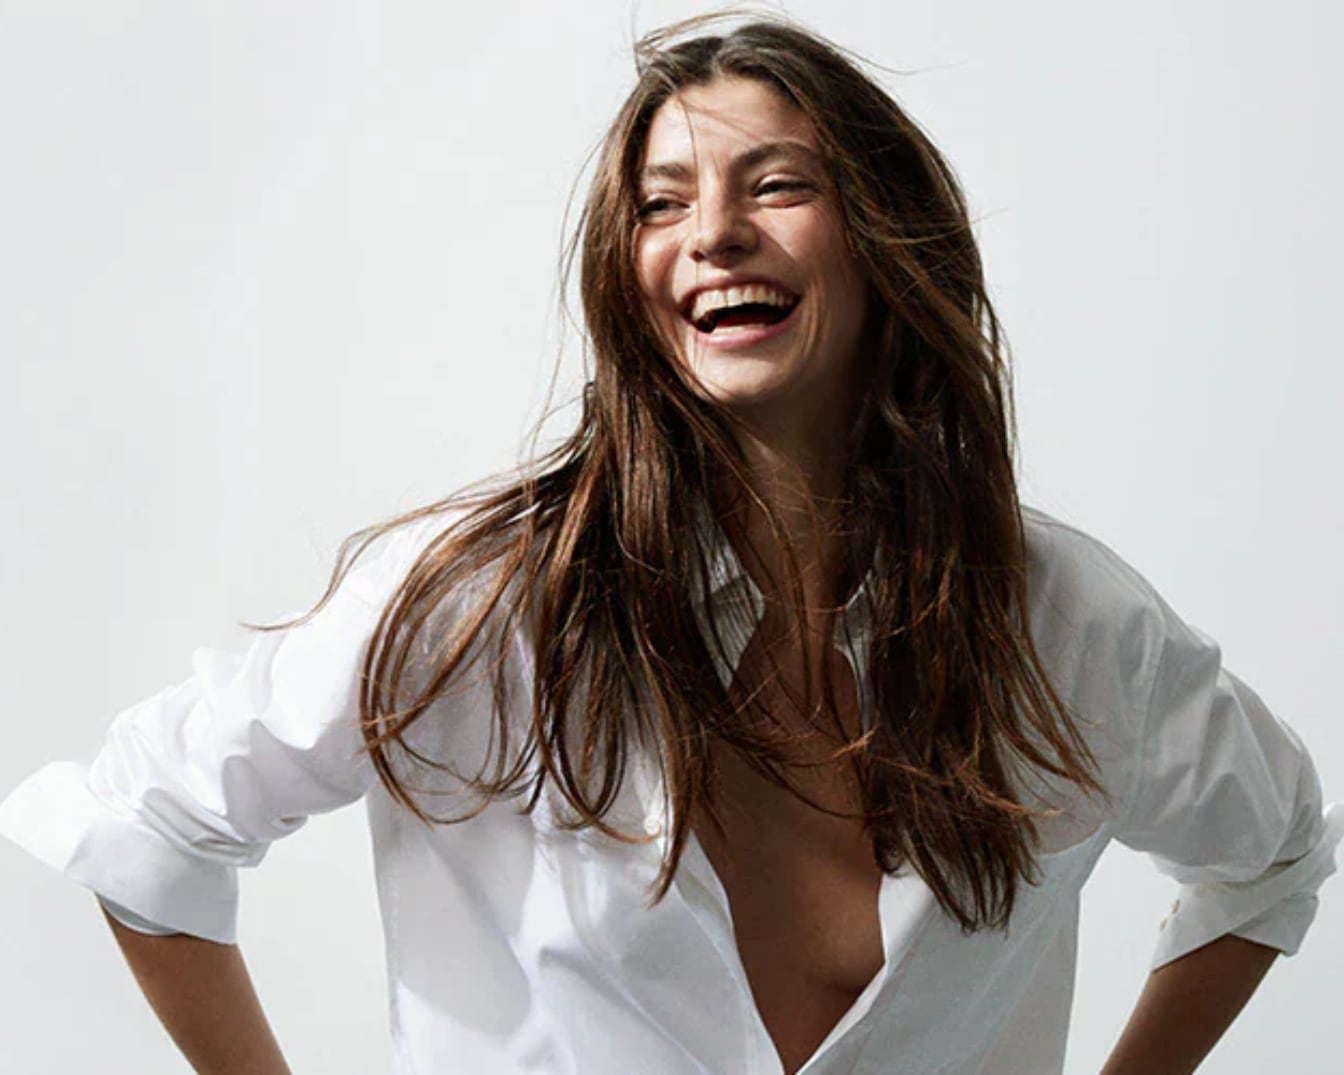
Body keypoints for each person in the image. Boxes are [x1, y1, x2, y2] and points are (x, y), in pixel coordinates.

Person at [1, 12, 1338, 1075]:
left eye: (779, 184)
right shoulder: (483, 605)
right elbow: (146, 830)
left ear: (886, 244)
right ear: (623, 275)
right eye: (660, 203)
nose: (714, 233)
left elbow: (1275, 854)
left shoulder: (1065, 621)